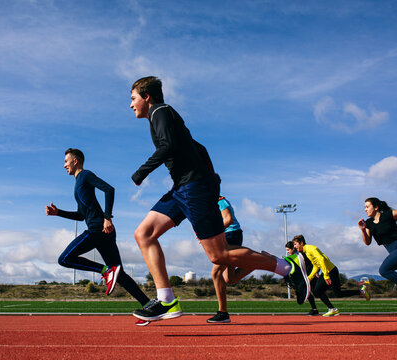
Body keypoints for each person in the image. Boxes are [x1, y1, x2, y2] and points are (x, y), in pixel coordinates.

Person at [129, 76, 310, 322]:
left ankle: (287, 267)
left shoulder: (160, 112)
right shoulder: (166, 118)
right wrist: (210, 177)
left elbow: (169, 146)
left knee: (219, 256)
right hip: (184, 187)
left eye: (133, 98)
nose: (131, 105)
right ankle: (166, 300)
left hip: (194, 188)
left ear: (146, 97)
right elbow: (197, 147)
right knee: (144, 234)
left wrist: (142, 171)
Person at [46, 148, 150, 311]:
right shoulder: (78, 183)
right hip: (104, 232)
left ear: (75, 161)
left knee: (64, 259)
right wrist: (58, 213)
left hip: (97, 229)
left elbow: (109, 189)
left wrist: (107, 218)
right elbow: (81, 215)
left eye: (66, 161)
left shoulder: (85, 175)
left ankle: (104, 271)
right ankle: (148, 304)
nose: (64, 165)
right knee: (119, 274)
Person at [292, 235, 369, 317]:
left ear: (301, 243)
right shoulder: (306, 252)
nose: (294, 246)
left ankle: (332, 309)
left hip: (330, 271)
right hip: (330, 271)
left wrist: (325, 275)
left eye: (295, 244)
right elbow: (316, 266)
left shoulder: (311, 249)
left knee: (318, 290)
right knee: (338, 293)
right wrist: (309, 278)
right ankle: (361, 292)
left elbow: (322, 259)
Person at [207, 196, 253, 323]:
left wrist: (211, 233)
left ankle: (223, 313)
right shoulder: (208, 203)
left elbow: (228, 219)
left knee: (216, 273)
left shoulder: (220, 200)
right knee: (229, 279)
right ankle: (256, 262)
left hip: (231, 235)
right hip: (226, 236)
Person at [358, 197, 397, 295]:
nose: (365, 209)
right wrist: (363, 230)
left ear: (376, 207)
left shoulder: (387, 215)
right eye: (364, 207)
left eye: (367, 207)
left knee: (384, 270)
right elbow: (367, 242)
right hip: (395, 253)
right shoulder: (369, 223)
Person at [285, 241, 319, 316]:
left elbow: (311, 263)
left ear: (293, 249)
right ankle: (314, 309)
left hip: (309, 275)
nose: (287, 252)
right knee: (308, 292)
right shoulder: (291, 258)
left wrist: (316, 272)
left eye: (288, 250)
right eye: (286, 250)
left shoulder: (302, 255)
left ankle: (329, 308)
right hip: (301, 278)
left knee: (317, 292)